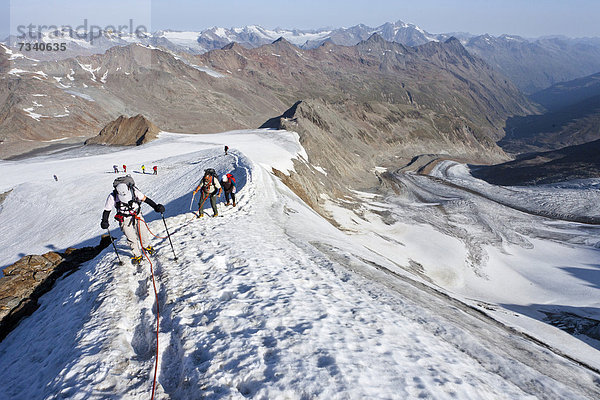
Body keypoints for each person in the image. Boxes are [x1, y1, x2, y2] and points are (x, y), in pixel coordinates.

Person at [100, 175, 165, 265]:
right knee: (131, 238)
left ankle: (146, 246)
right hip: (124, 219)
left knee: (142, 232)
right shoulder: (113, 196)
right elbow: (107, 209)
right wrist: (104, 220)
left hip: (137, 215)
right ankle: (137, 254)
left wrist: (156, 207)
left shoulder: (134, 191)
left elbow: (145, 199)